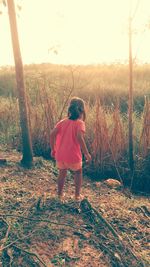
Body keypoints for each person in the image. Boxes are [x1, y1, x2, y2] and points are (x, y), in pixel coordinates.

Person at [50, 96, 91, 201]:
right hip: (73, 156)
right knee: (78, 172)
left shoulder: (62, 122)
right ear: (82, 111)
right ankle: (77, 195)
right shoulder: (80, 123)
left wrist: (53, 149)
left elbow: (51, 134)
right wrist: (86, 153)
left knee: (62, 172)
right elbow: (79, 137)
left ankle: (59, 194)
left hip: (60, 155)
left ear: (70, 109)